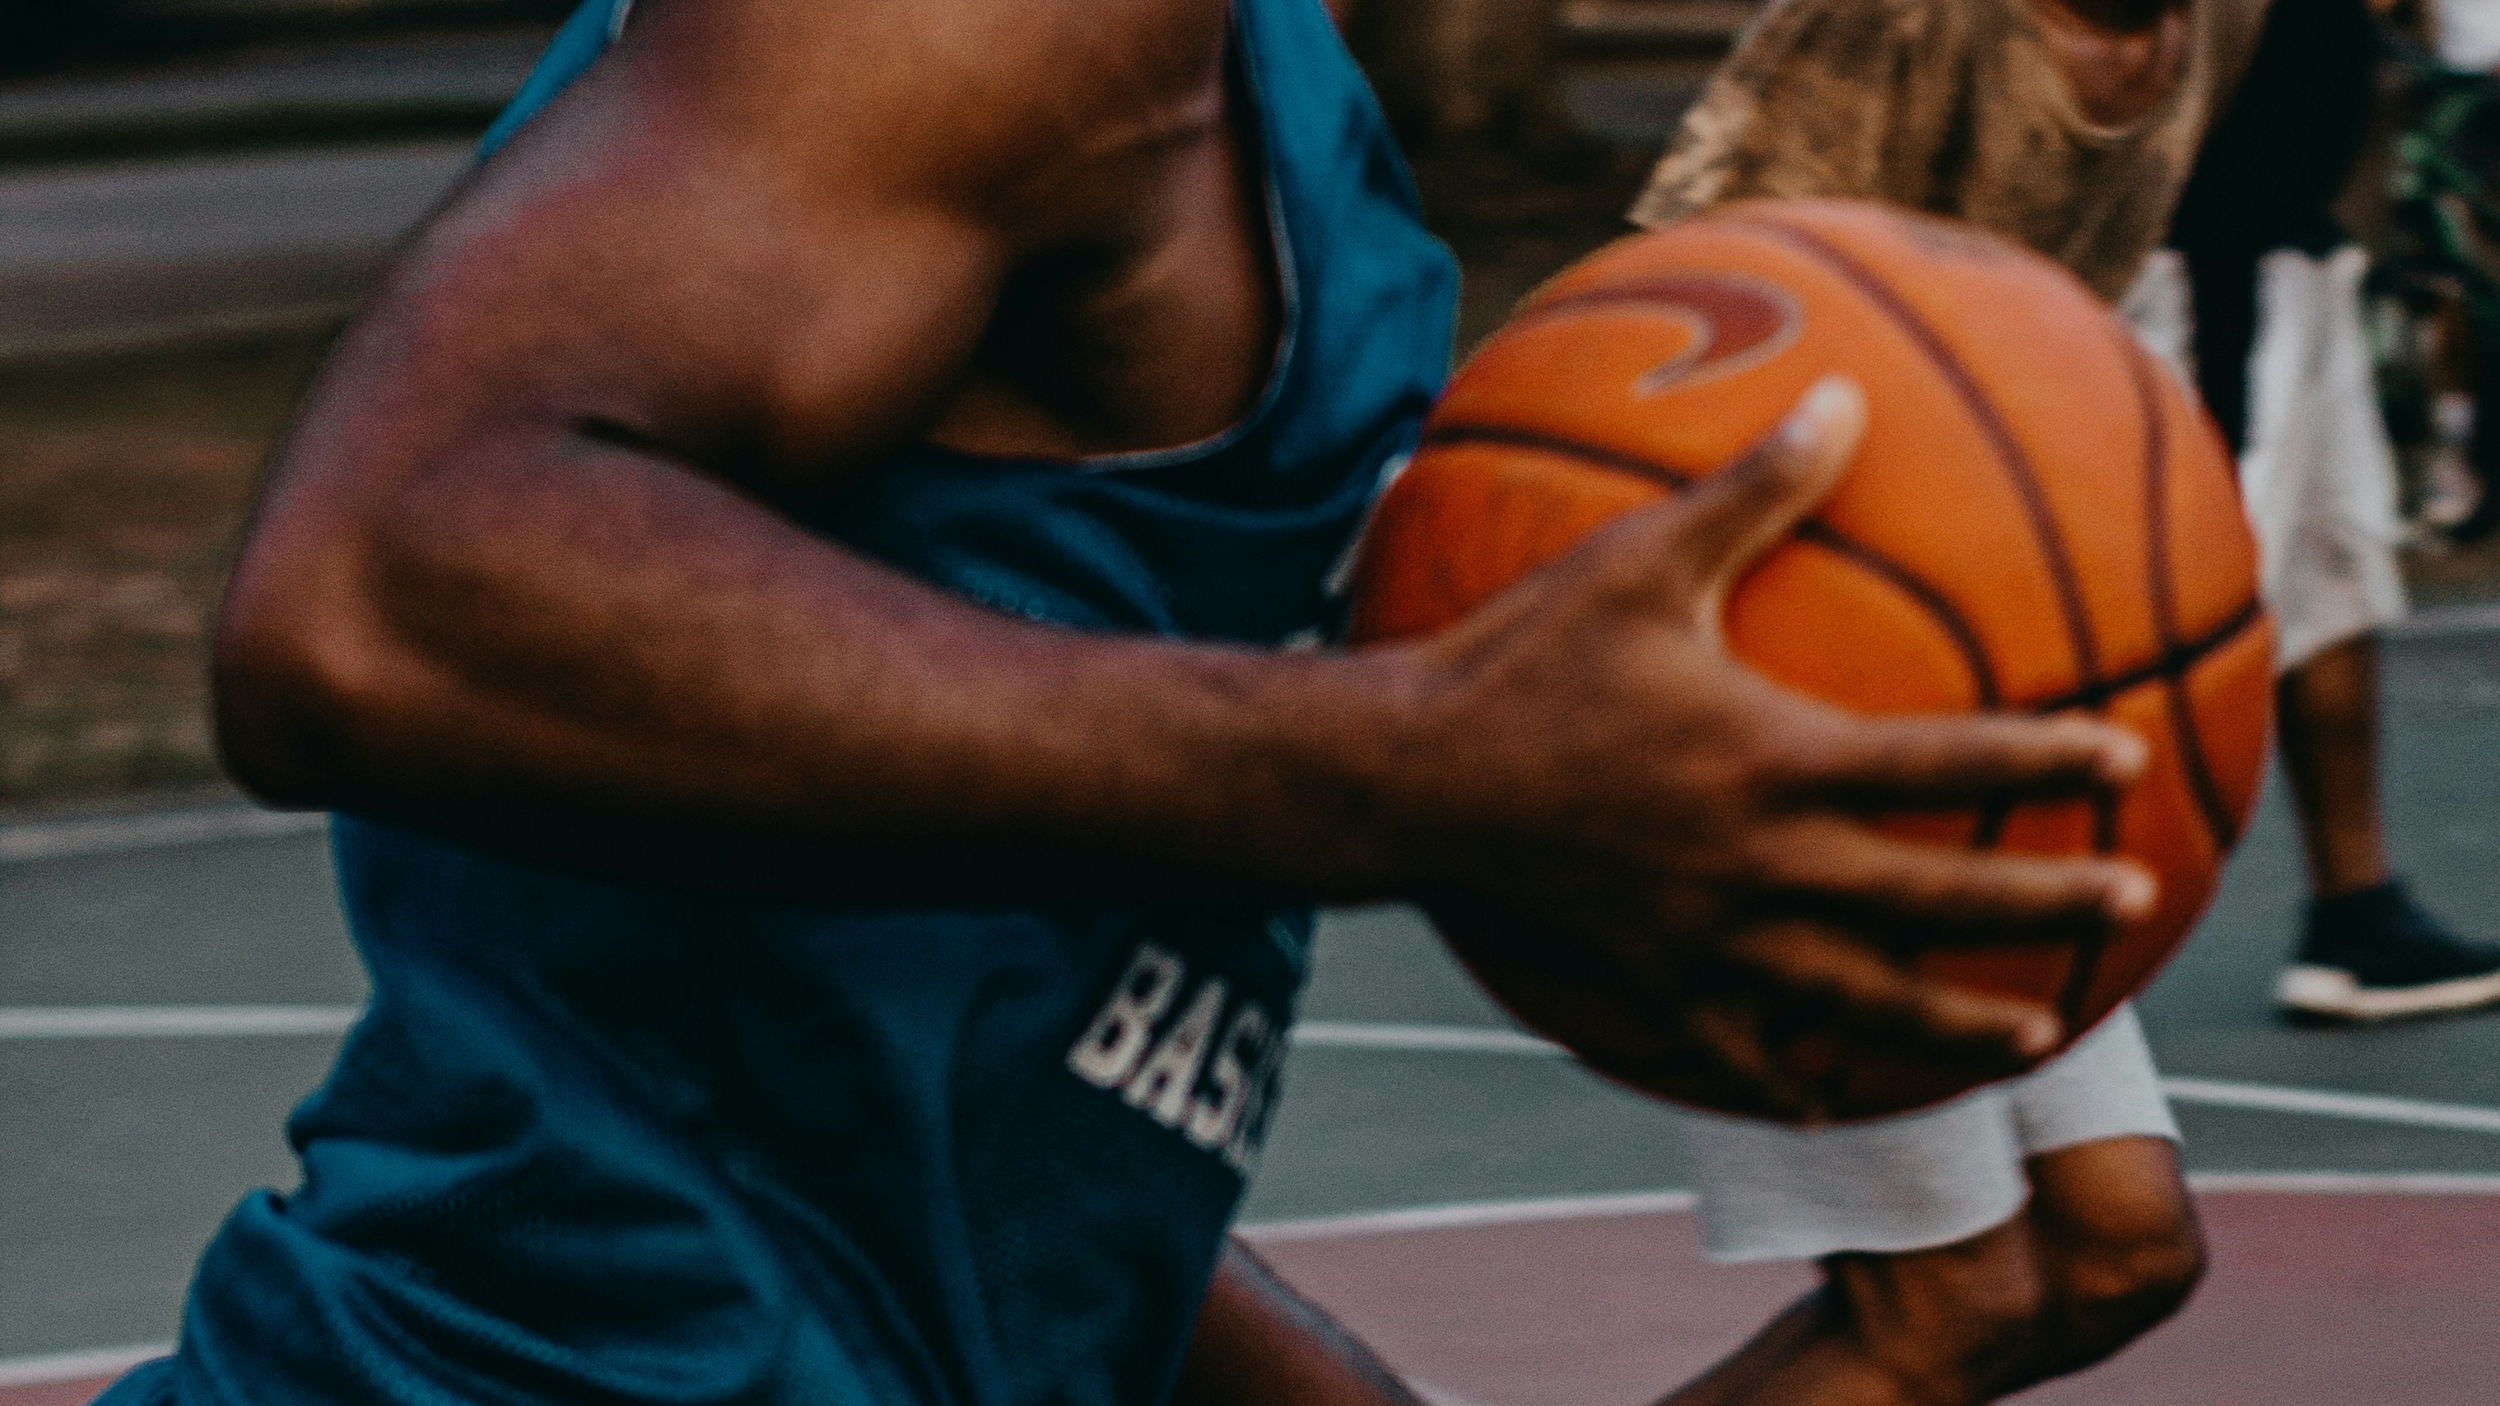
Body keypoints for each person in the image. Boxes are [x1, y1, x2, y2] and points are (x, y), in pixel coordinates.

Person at [93, 0, 2157, 1403]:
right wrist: (1408, 770)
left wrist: (1915, 1324)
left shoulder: (1266, 136)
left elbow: (979, 1037)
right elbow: (374, 597)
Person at [1626, 0, 2271, 1398]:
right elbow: (1672, 335)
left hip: (1986, 661)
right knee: (1951, 1305)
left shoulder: (2218, 21)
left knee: (2122, 1254)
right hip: (1785, 673)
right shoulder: (1891, 19)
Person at [2154, 0, 2500, 1020]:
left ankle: (2354, 912)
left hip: (2292, 253)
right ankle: (2004, 916)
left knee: (2332, 575)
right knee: (2160, 616)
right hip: (2189, 260)